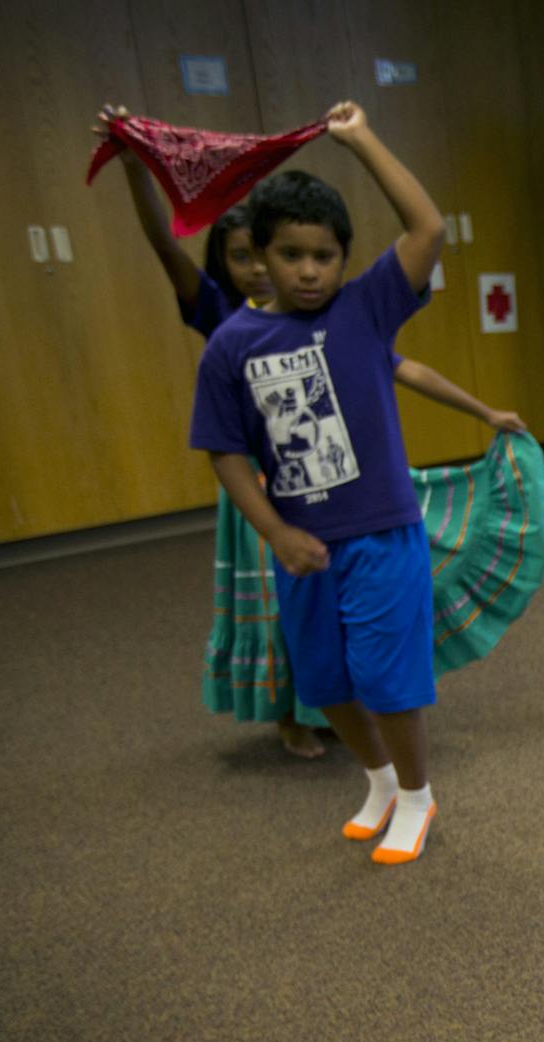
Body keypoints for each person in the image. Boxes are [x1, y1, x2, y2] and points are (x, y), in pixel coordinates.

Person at [96, 104, 527, 760]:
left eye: (320, 256)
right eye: (270, 255)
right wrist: (135, 165)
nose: (298, 270)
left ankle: (368, 742)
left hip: (354, 505)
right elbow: (163, 246)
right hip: (265, 497)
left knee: (365, 633)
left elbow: (405, 355)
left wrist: (484, 411)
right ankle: (294, 715)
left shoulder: (354, 316)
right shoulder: (225, 323)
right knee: (295, 629)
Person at [190, 103, 449, 862]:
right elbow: (225, 451)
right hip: (302, 544)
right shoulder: (232, 345)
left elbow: (427, 228)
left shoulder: (366, 307)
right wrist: (274, 530)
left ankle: (417, 794)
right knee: (324, 678)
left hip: (381, 533)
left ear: (344, 258)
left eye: (326, 255)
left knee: (384, 676)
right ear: (257, 256)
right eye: (292, 254)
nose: (310, 270)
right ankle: (377, 781)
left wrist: (364, 138)